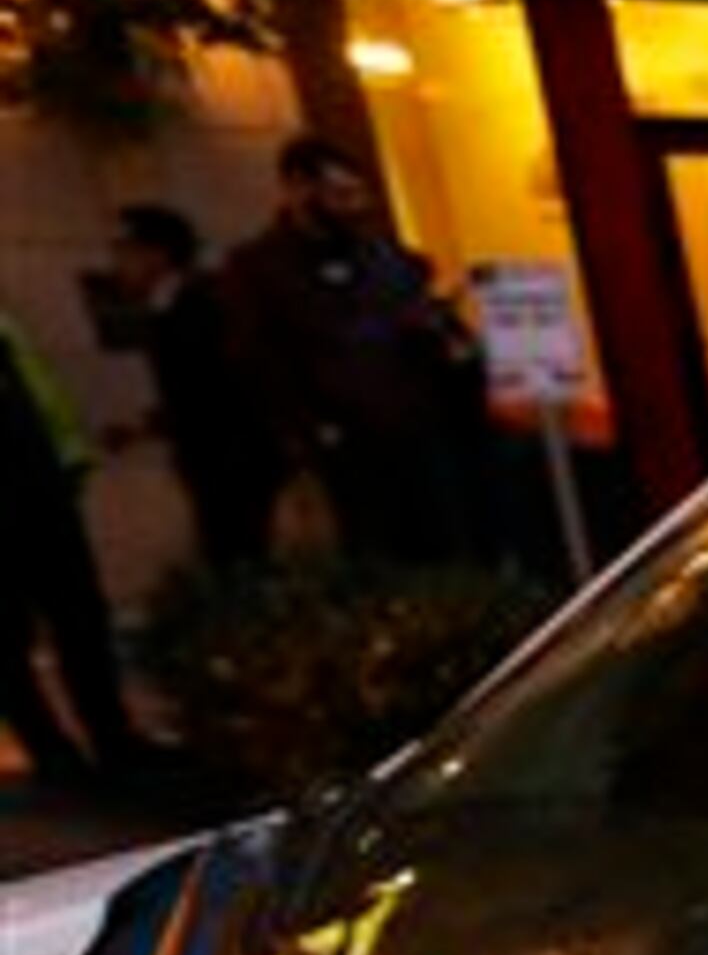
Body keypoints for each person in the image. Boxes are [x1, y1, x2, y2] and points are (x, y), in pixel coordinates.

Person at [223, 134, 484, 567]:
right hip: (344, 456)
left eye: (359, 194)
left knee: (448, 555)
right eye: (341, 194)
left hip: (421, 443)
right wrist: (309, 436)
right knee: (375, 563)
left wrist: (443, 336)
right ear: (297, 189)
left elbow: (430, 329)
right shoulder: (257, 270)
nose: (356, 207)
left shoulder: (386, 256)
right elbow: (256, 365)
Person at [2, 310, 159, 783]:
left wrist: (68, 460)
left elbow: (39, 396)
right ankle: (50, 749)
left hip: (42, 486)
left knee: (81, 617)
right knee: (8, 636)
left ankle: (114, 737)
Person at [110, 203, 282, 573]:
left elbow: (220, 384)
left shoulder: (202, 302)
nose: (118, 264)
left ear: (158, 254)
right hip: (210, 458)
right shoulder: (163, 308)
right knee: (230, 557)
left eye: (125, 251)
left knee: (242, 559)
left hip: (234, 458)